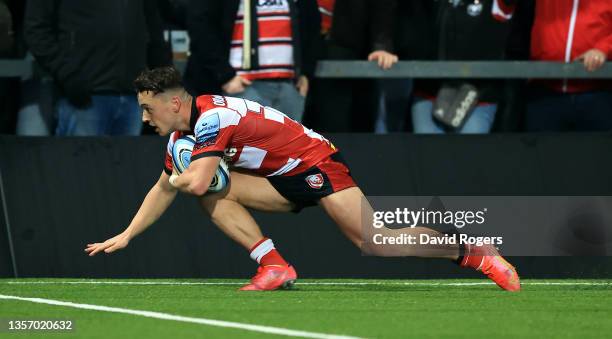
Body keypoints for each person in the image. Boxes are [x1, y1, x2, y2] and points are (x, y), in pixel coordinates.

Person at [85, 66, 521, 292]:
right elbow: (165, 187)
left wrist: (182, 176)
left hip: (313, 163)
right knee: (215, 189)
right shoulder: (186, 132)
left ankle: (473, 253)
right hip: (278, 176)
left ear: (175, 103)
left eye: (149, 109)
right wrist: (127, 234)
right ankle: (274, 266)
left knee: (374, 240)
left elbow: (191, 182)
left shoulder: (213, 118)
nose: (144, 118)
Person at [24, 0, 172, 136]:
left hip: (131, 98)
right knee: (78, 164)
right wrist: (67, 74)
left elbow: (153, 27)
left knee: (127, 164)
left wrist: (167, 82)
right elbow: (36, 30)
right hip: (84, 99)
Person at [183, 0, 319, 122]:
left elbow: (312, 24)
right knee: (244, 148)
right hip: (240, 86)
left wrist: (306, 73)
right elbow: (200, 24)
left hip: (289, 87)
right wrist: (225, 76)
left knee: (289, 148)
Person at [520, 0, 612, 132]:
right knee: (541, 151)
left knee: (596, 152)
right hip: (545, 92)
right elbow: (503, 11)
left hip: (597, 92)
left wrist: (603, 49)